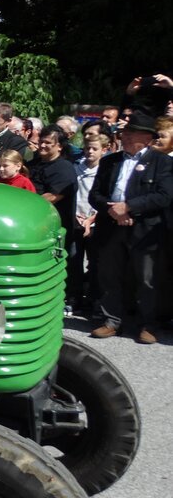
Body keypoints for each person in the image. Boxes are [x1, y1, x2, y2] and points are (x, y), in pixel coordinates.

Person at [88, 112, 173, 343]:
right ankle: (111, 321)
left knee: (147, 278)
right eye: (124, 132)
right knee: (110, 275)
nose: (124, 136)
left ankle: (149, 324)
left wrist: (130, 207)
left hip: (145, 230)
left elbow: (164, 196)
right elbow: (95, 195)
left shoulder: (163, 162)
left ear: (146, 138)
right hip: (111, 225)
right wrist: (112, 209)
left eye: (130, 133)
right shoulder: (110, 161)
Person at [70, 133, 110, 313]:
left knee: (95, 262)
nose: (90, 152)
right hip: (77, 219)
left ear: (104, 150)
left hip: (94, 221)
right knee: (74, 259)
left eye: (95, 149)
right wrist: (76, 216)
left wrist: (90, 219)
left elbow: (103, 197)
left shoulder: (105, 170)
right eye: (87, 148)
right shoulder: (77, 168)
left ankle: (94, 298)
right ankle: (74, 297)